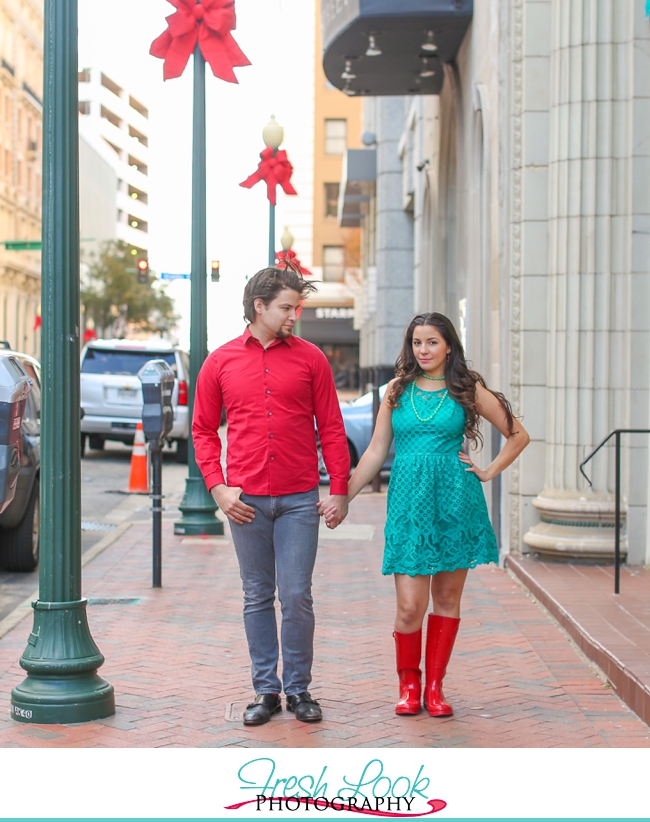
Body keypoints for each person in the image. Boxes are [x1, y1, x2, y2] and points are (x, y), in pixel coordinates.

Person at [340, 312, 529, 717]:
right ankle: (409, 685)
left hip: (455, 500)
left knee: (446, 597)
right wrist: (344, 498)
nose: (423, 350)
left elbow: (518, 435)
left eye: (432, 342)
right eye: (417, 342)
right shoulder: (396, 390)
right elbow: (375, 451)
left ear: (448, 347)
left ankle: (435, 688)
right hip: (409, 503)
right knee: (410, 605)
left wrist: (488, 471)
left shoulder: (466, 387)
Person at [191, 263, 351, 726]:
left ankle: (299, 688)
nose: (293, 315)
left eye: (296, 306)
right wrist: (217, 488)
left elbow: (332, 428)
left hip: (300, 497)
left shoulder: (311, 359)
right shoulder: (219, 362)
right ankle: (266, 689)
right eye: (286, 306)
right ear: (258, 306)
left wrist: (338, 490)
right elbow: (202, 430)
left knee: (297, 594)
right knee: (257, 594)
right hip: (245, 502)